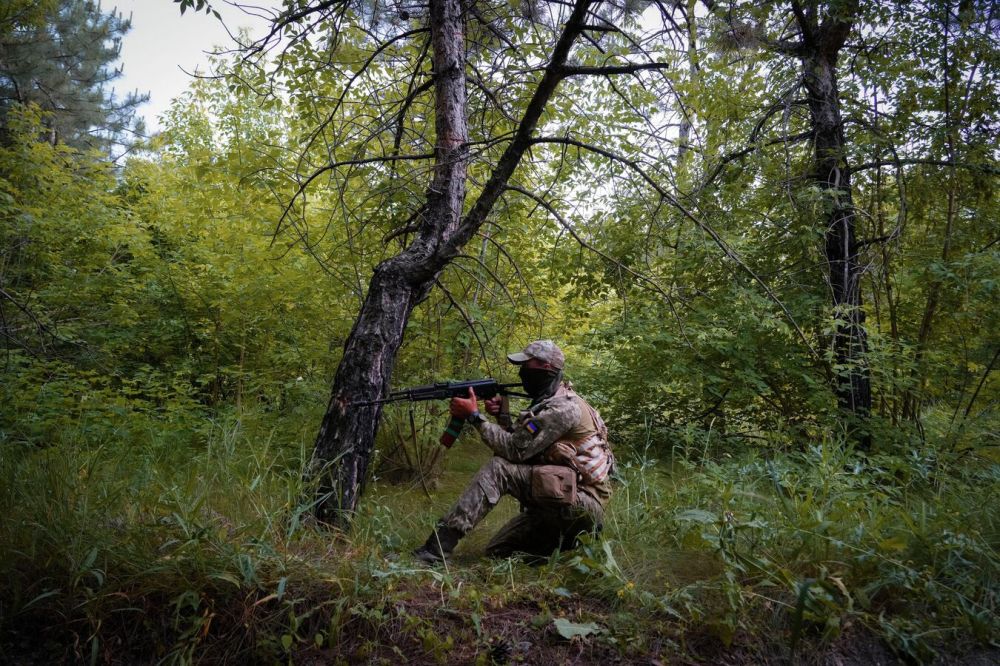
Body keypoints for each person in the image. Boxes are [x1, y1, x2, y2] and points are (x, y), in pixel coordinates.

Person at [413, 340, 614, 563]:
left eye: (527, 365)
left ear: (546, 368)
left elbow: (513, 451)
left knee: (499, 469)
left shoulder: (563, 408)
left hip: (580, 508)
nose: (522, 372)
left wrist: (474, 417)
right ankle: (563, 547)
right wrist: (503, 417)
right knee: (498, 553)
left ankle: (435, 551)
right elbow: (525, 446)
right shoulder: (553, 401)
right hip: (561, 504)